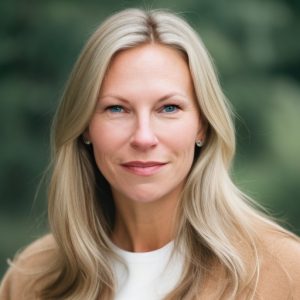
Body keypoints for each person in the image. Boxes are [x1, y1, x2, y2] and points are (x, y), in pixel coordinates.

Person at [1, 8, 300, 300]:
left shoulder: (285, 272)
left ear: (203, 126)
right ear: (85, 127)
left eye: (169, 108)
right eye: (116, 108)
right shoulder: (33, 276)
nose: (143, 137)